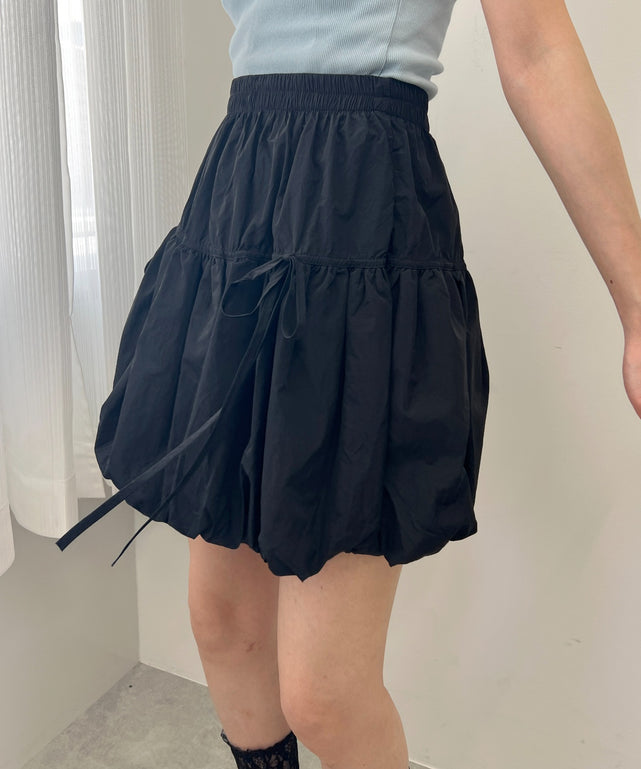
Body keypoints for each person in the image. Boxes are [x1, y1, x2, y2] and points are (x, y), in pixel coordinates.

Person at [56, 1, 641, 768]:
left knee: (324, 694)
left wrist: (636, 300)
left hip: (360, 211)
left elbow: (535, 51)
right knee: (224, 623)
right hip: (240, 198)